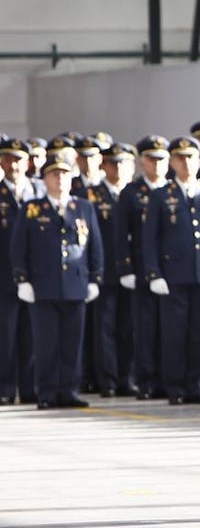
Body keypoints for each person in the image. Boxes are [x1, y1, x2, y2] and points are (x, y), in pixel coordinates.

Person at [11, 152, 103, 409]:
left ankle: (68, 390)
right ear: (45, 179)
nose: (59, 179)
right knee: (46, 344)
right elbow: (19, 246)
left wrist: (95, 277)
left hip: (75, 285)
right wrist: (22, 279)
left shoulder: (83, 207)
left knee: (72, 343)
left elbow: (94, 245)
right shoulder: (32, 208)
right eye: (54, 174)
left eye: (64, 174)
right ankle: (47, 392)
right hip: (44, 285)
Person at [143, 137, 200, 406]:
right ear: (172, 161)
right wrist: (154, 273)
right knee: (174, 333)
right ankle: (175, 386)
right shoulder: (161, 195)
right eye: (180, 157)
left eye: (190, 156)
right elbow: (150, 238)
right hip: (174, 275)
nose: (186, 162)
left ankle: (197, 385)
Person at [116, 135, 171, 400]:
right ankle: (146, 380)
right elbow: (121, 233)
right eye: (152, 159)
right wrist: (125, 268)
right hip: (141, 270)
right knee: (145, 328)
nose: (157, 164)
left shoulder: (173, 191)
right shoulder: (131, 193)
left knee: (168, 329)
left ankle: (166, 378)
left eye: (161, 159)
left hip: (170, 270)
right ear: (141, 162)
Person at [82, 142, 137, 398]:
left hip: (132, 272)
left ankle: (127, 377)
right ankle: (108, 380)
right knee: (104, 329)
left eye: (123, 162)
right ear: (103, 165)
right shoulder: (91, 195)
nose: (118, 168)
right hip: (105, 271)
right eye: (113, 162)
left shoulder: (138, 194)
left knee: (129, 328)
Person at [0, 138, 42, 405]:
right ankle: (4, 388)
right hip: (3, 275)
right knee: (5, 335)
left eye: (18, 159)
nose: (13, 164)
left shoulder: (39, 193)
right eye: (7, 159)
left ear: (27, 162)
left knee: (33, 335)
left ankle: (30, 388)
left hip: (37, 276)